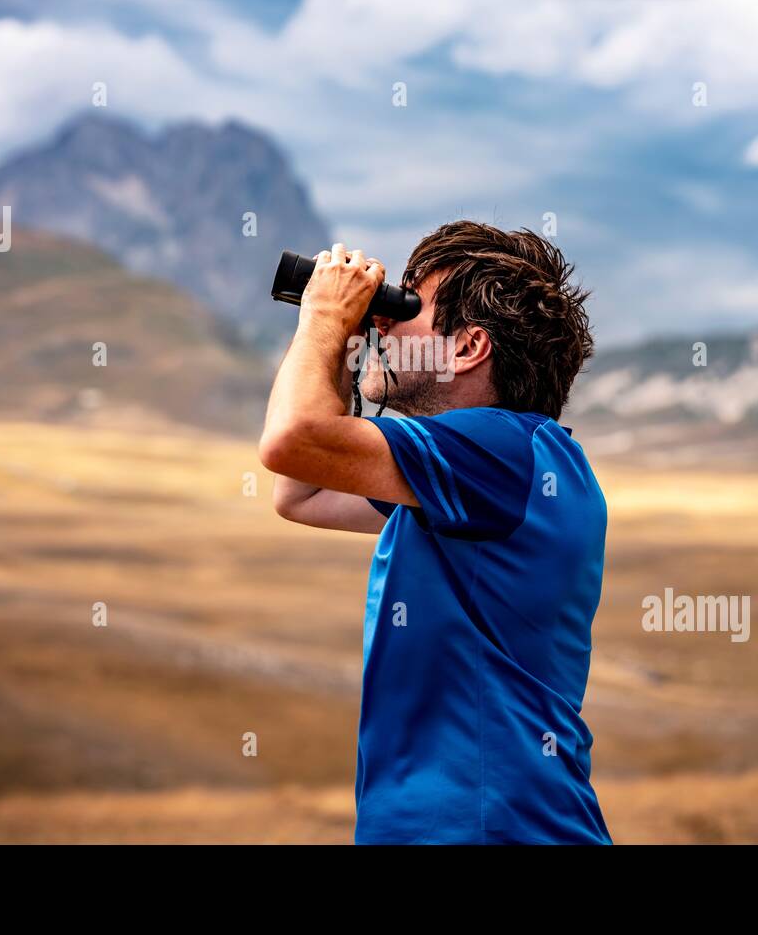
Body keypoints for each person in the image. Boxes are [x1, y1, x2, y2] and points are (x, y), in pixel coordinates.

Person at [259, 221, 611, 845]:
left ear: (471, 345)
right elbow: (301, 491)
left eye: (405, 308)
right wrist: (343, 343)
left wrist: (324, 314)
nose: (383, 325)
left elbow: (292, 441)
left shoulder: (498, 450)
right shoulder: (484, 474)